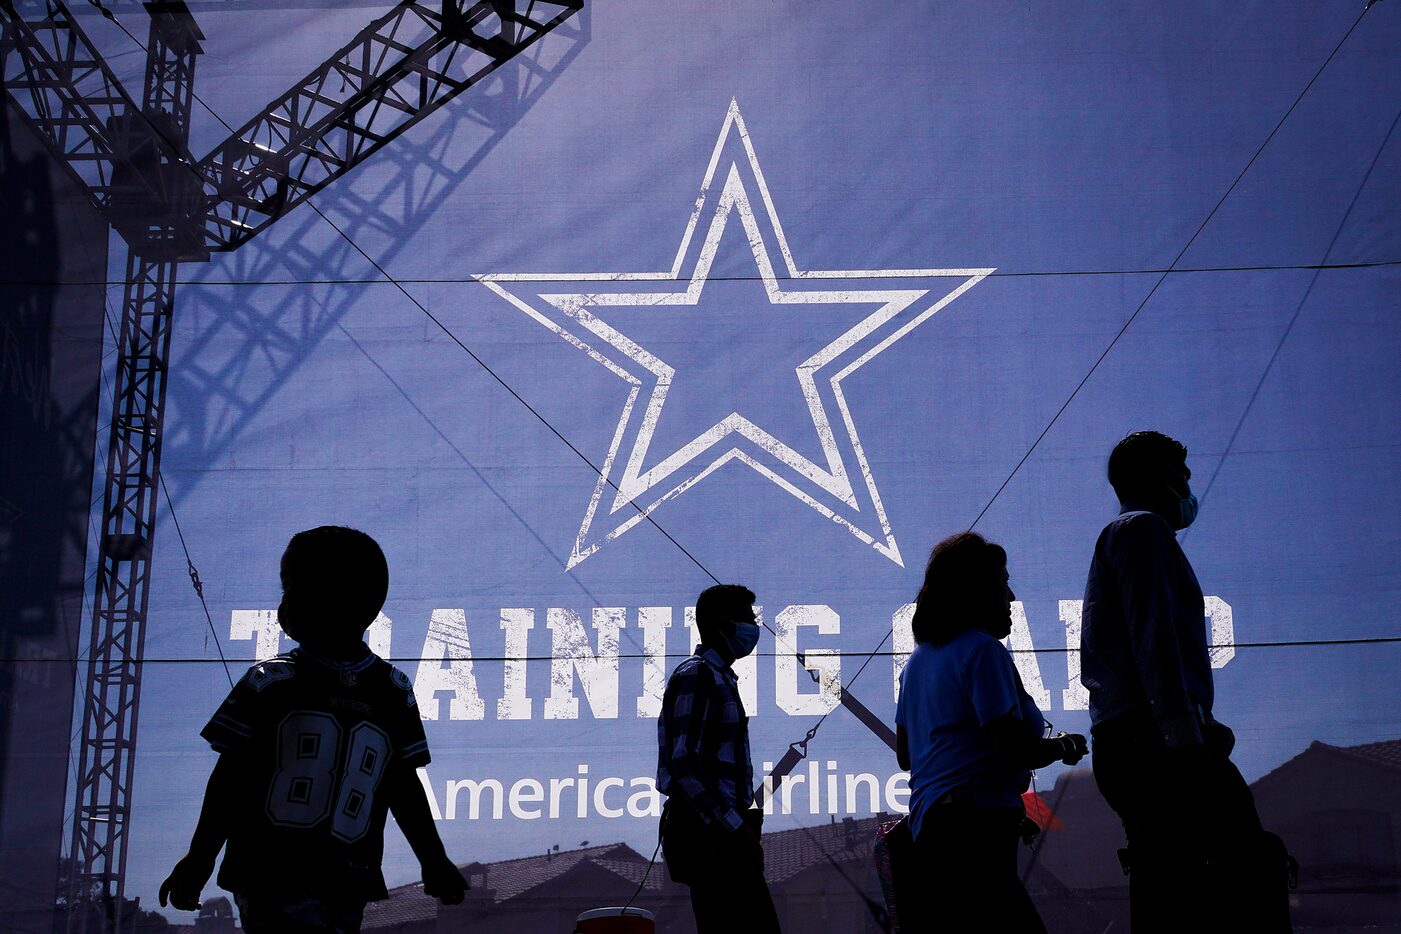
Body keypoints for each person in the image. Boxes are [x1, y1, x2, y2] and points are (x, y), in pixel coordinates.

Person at [158, 526, 467, 932]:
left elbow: (401, 786)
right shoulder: (270, 681)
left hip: (347, 878)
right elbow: (230, 778)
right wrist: (199, 857)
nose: (285, 602)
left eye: (294, 586)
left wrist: (433, 858)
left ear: (352, 597)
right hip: (270, 872)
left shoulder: (391, 691)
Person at [1082, 431, 1291, 931]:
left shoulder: (1135, 536)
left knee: (1172, 882)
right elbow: (1154, 640)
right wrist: (1185, 737)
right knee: (1206, 879)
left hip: (1140, 738)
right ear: (1157, 477)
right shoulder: (1142, 531)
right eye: (1181, 470)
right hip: (1152, 741)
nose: (1190, 481)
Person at [895, 532, 1088, 933]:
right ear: (977, 591)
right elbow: (1012, 750)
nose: (1012, 596)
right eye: (1002, 583)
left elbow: (906, 755)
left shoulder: (916, 663)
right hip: (973, 831)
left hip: (932, 832)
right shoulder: (983, 651)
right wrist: (1064, 746)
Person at [657, 583, 780, 933]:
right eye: (746, 618)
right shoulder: (698, 675)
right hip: (714, 841)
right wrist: (735, 829)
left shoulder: (722, 678)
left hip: (727, 839)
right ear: (719, 625)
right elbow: (684, 766)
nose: (752, 627)